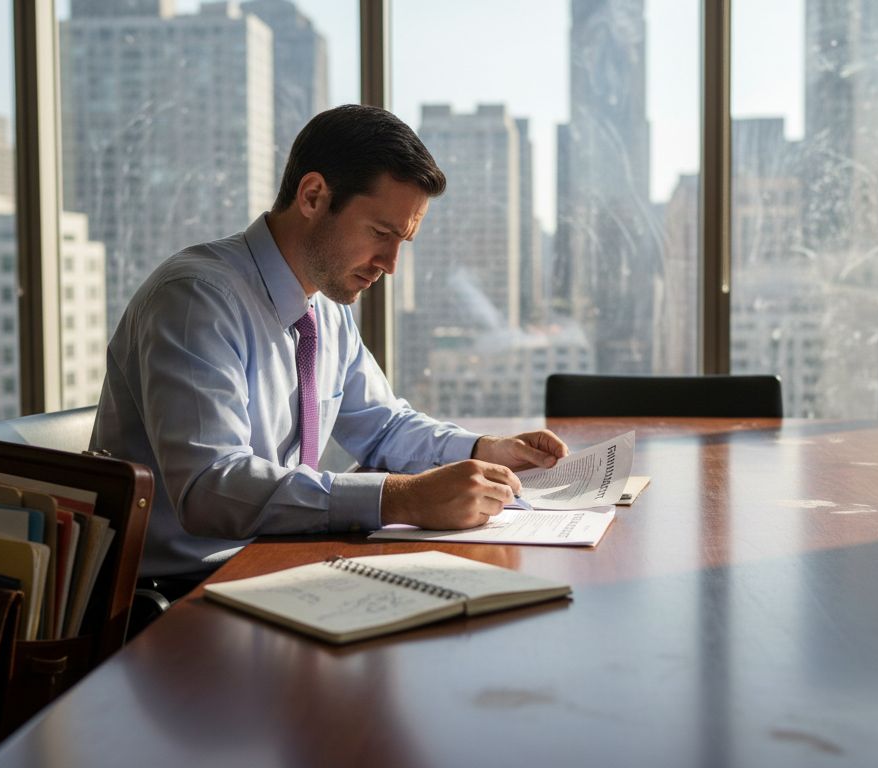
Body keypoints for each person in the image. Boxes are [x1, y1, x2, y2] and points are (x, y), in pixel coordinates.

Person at [93, 104, 568, 587]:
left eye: (402, 240)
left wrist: (484, 449)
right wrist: (399, 498)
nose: (390, 264)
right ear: (314, 195)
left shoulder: (325, 306)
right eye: (381, 233)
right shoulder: (197, 300)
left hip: (276, 566)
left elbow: (383, 427)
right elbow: (209, 488)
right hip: (178, 595)